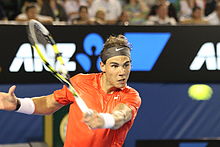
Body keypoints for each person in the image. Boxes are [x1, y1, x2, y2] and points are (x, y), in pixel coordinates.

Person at [0, 35, 141, 147]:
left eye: (126, 65)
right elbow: (49, 103)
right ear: (102, 66)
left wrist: (104, 120)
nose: (122, 72)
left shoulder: (131, 96)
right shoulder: (80, 82)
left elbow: (121, 116)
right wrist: (18, 104)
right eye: (115, 66)